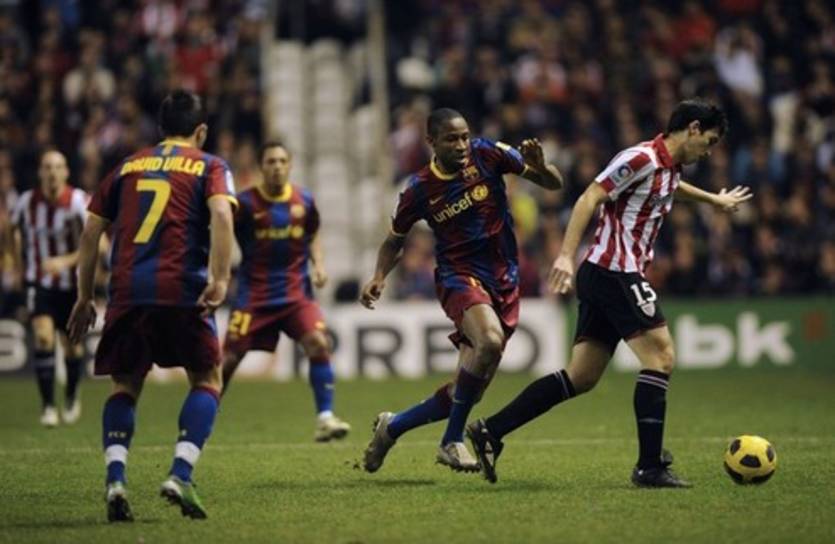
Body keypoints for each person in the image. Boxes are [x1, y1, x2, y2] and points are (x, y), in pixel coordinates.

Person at [466, 99, 753, 487]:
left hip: (606, 274)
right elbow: (590, 196)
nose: (710, 150)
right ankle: (649, 466)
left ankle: (490, 431)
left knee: (581, 376)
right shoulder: (640, 158)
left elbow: (670, 187)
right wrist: (565, 256)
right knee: (661, 357)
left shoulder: (670, 167)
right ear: (694, 128)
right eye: (711, 141)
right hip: (615, 270)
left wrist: (713, 199)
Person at [360, 108, 564, 472]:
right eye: (451, 139)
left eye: (464, 136)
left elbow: (553, 184)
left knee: (467, 391)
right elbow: (394, 240)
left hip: (504, 278)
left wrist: (541, 167)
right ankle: (451, 442)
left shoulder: (488, 154)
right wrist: (378, 275)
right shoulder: (419, 189)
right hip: (459, 277)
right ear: (431, 142)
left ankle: (392, 427)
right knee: (489, 340)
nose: (461, 145)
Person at [67, 90, 237, 522]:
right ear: (201, 131)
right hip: (181, 288)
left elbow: (90, 231)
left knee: (124, 385)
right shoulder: (210, 165)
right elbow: (221, 215)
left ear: (160, 129)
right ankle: (180, 473)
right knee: (207, 378)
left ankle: (116, 480)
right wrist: (220, 278)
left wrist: (85, 297)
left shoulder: (128, 165)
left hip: (127, 290)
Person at [221, 140, 351, 442]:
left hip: (295, 294)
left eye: (282, 161)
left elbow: (312, 233)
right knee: (228, 360)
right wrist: (221, 272)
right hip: (254, 295)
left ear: (290, 165)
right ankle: (205, 411)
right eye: (271, 162)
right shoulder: (245, 204)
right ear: (261, 167)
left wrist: (319, 264)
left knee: (318, 343)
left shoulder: (304, 200)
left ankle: (325, 417)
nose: (277, 167)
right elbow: (222, 232)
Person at [8, 150, 88, 427]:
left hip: (71, 285)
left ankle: (72, 395)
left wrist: (65, 261)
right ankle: (48, 407)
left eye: (57, 167)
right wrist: (17, 266)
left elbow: (96, 244)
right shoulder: (26, 202)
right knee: (43, 337)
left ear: (66, 172)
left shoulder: (77, 201)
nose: (52, 172)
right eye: (47, 167)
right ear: (40, 172)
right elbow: (11, 229)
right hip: (38, 282)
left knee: (72, 348)